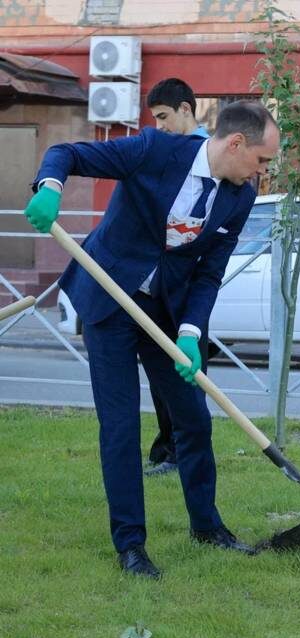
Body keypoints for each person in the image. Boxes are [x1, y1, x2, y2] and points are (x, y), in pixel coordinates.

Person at [22, 100, 280, 579]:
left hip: (166, 313)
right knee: (120, 427)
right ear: (236, 143)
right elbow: (67, 153)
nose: (263, 171)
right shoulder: (155, 150)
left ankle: (207, 526)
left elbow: (209, 273)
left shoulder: (242, 195)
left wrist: (189, 333)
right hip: (110, 299)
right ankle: (131, 546)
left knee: (193, 420)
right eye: (262, 160)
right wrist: (50, 188)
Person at [143, 78, 211, 477]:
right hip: (159, 282)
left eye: (164, 117)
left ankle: (181, 450)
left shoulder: (205, 156)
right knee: (160, 370)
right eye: (155, 119)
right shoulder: (167, 151)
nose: (160, 126)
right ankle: (168, 447)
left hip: (186, 284)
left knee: (185, 372)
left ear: (186, 109)